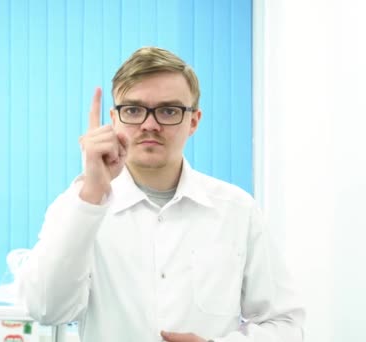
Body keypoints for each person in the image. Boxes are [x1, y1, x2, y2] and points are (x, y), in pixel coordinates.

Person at [16, 46, 304, 342]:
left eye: (168, 110)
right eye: (133, 110)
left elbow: (284, 323)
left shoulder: (237, 209)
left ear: (193, 121)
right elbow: (46, 309)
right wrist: (91, 198)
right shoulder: (78, 205)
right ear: (114, 119)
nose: (149, 124)